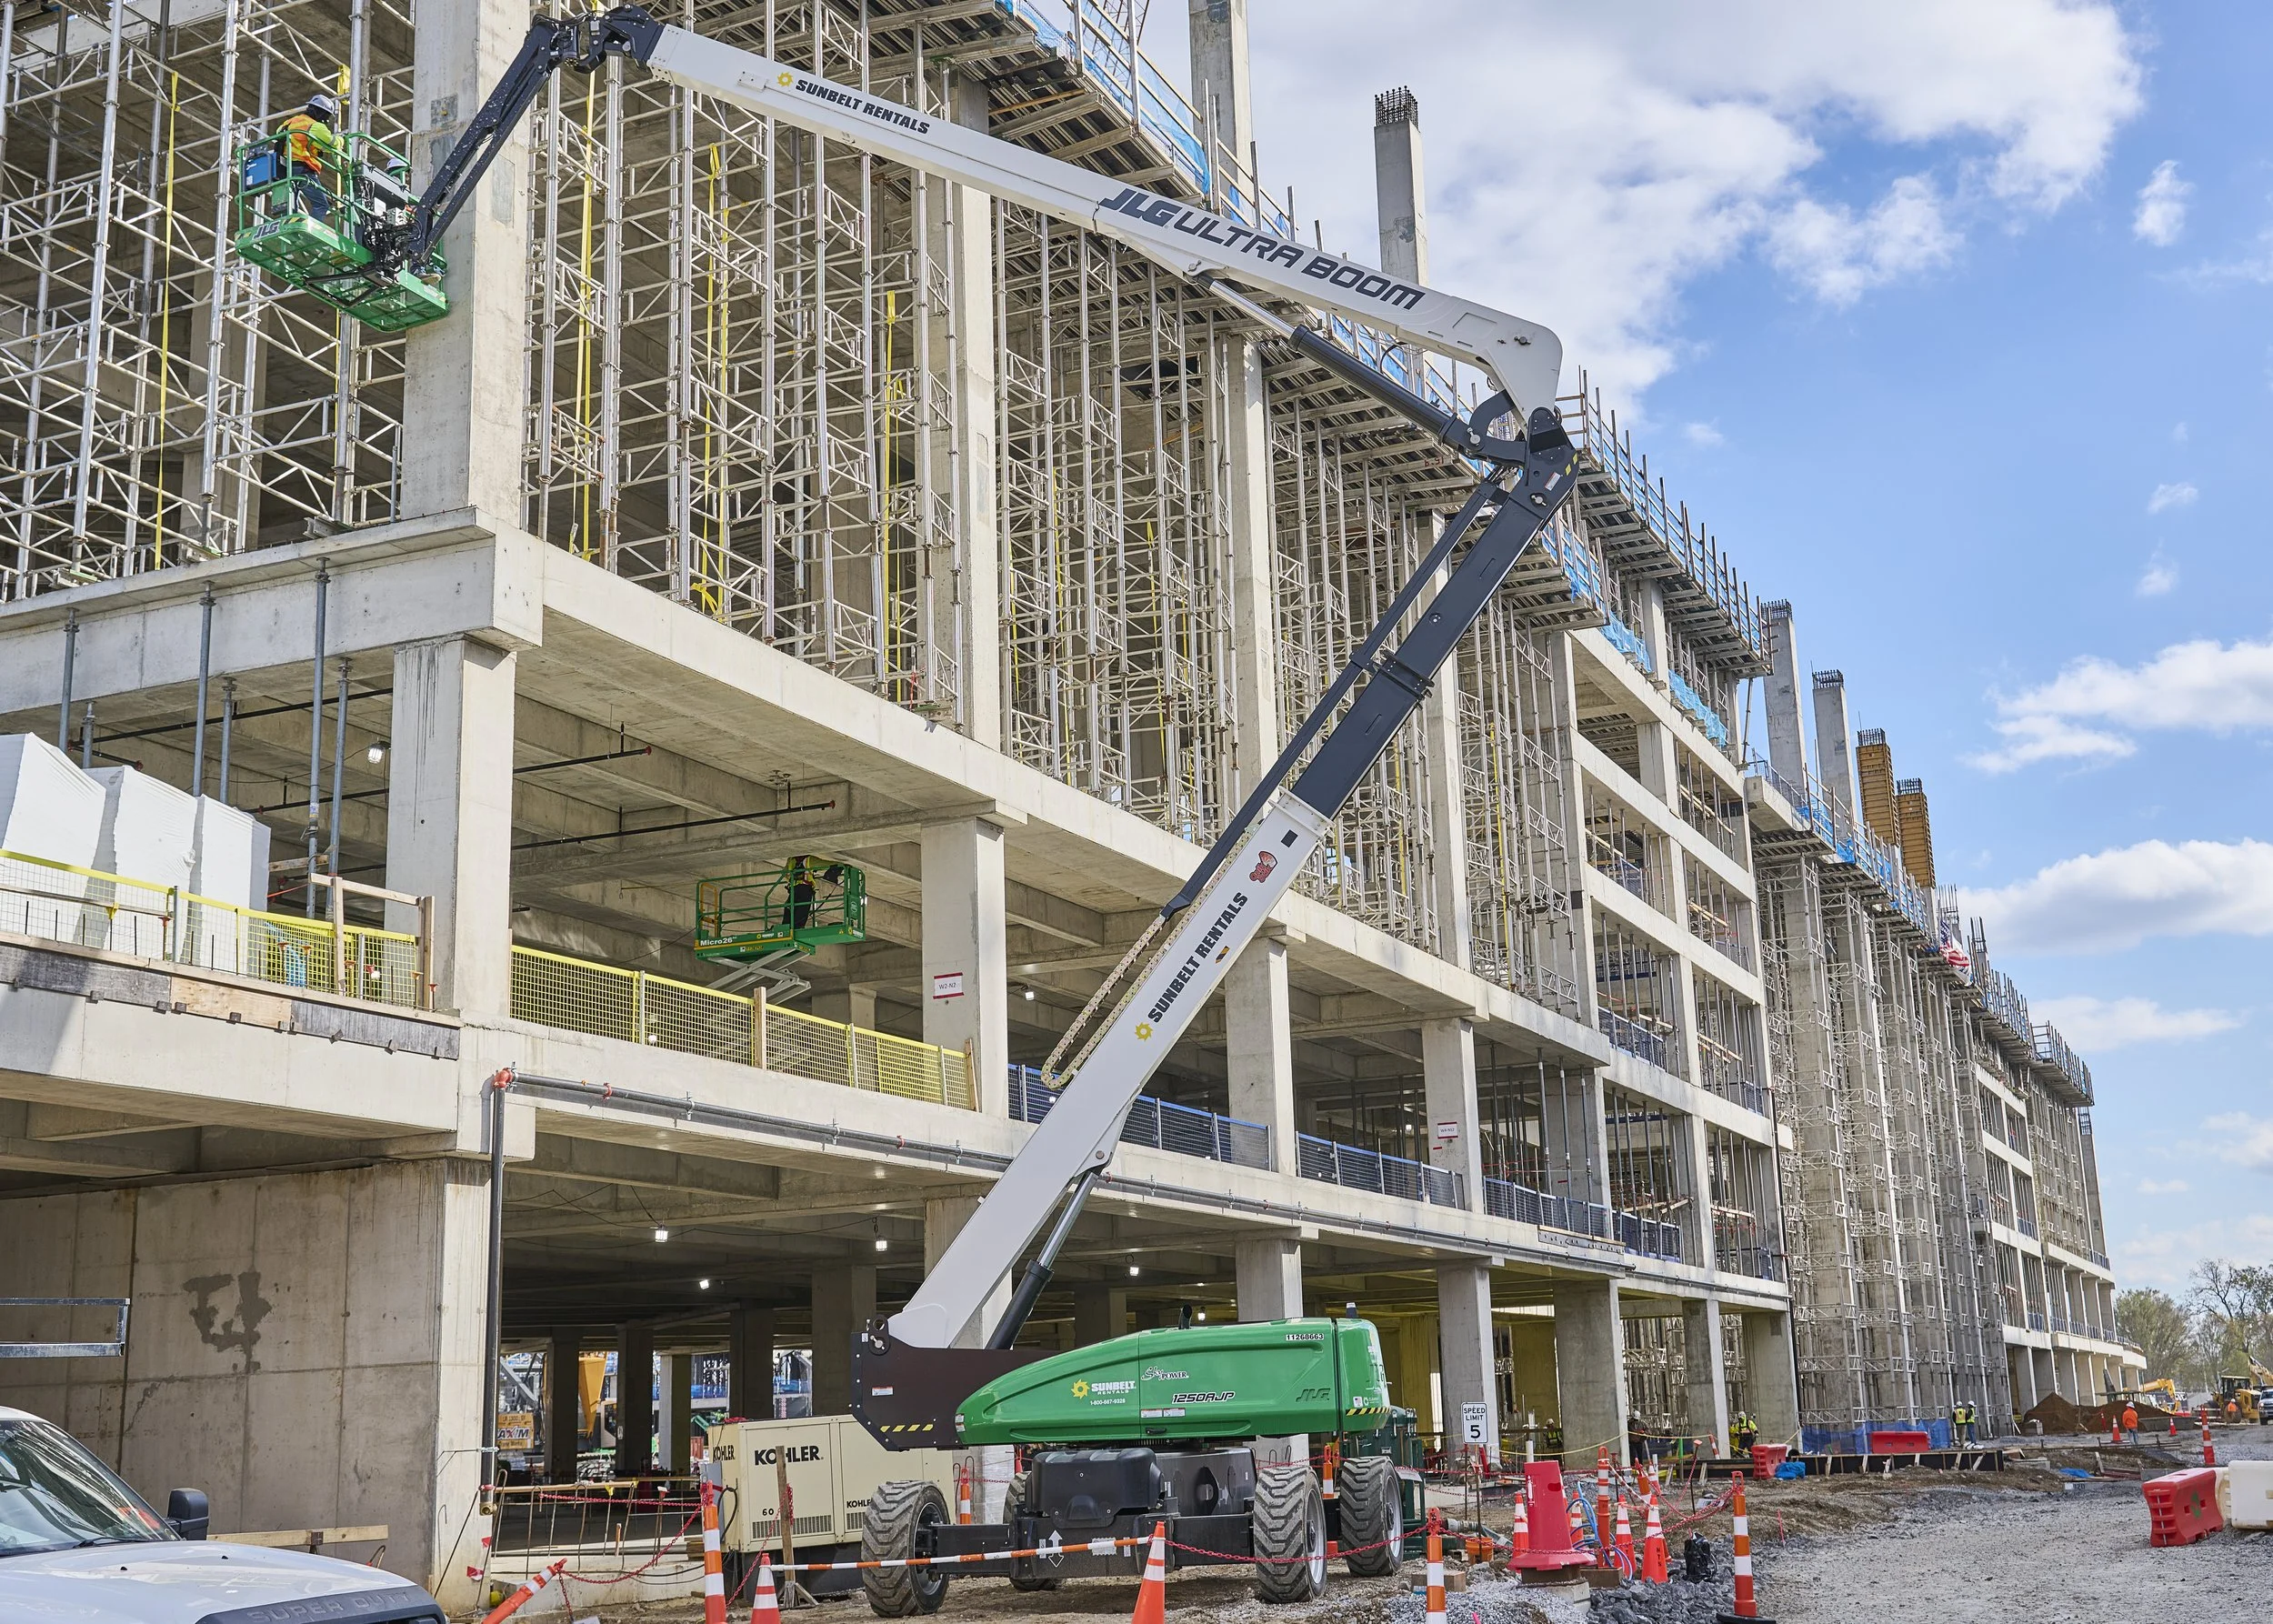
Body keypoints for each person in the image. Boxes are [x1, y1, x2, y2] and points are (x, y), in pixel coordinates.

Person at [278, 90, 341, 222]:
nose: (326, 119)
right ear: (320, 112)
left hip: (284, 168)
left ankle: (288, 227)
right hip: (303, 168)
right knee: (321, 205)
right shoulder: (316, 126)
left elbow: (280, 134)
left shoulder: (289, 122)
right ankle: (311, 227)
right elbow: (332, 144)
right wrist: (343, 140)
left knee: (290, 205)